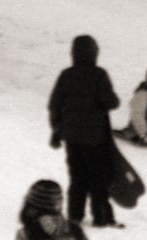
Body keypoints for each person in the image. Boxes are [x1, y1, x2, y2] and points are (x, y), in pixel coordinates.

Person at [48, 34, 121, 228]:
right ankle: (100, 217)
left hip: (71, 137)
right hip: (95, 137)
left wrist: (56, 130)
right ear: (94, 53)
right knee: (98, 176)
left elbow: (55, 105)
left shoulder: (66, 75)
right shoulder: (99, 75)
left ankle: (75, 216)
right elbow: (112, 102)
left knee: (77, 176)